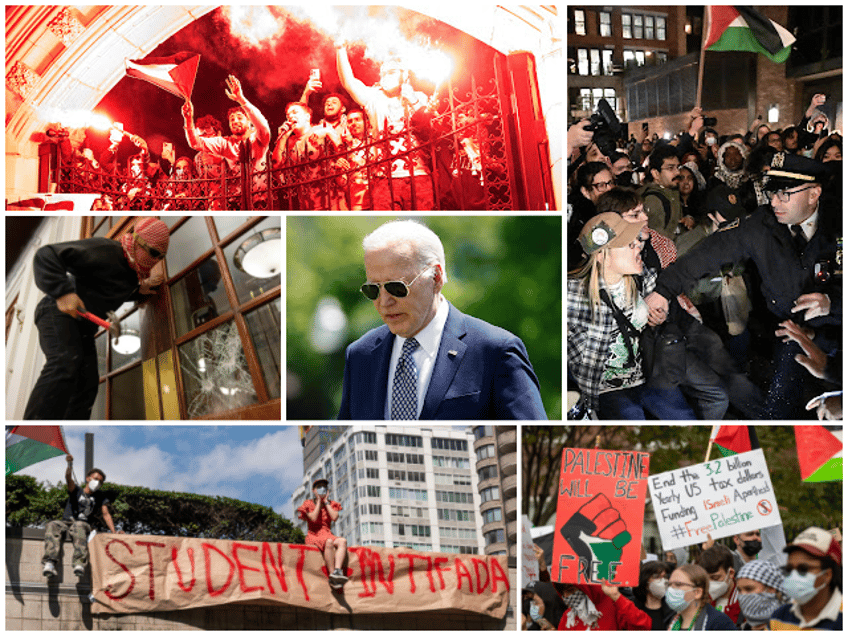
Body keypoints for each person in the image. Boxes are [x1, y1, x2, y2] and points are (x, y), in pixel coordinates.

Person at [645, 153, 841, 418]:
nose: (774, 202)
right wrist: (663, 290)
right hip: (794, 333)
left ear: (814, 193)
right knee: (780, 412)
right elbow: (709, 253)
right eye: (771, 192)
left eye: (784, 193)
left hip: (839, 332)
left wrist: (833, 304)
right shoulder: (762, 224)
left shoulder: (839, 222)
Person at [338, 219, 546, 419]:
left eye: (396, 287)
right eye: (372, 289)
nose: (384, 302)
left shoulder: (495, 351)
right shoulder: (360, 356)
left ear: (436, 278)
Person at [23, 217, 169, 419]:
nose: (155, 261)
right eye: (153, 253)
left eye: (160, 257)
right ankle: (28, 436)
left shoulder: (131, 274)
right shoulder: (105, 249)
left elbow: (111, 286)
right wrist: (63, 291)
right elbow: (46, 255)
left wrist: (138, 290)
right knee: (65, 363)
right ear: (136, 241)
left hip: (83, 327)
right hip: (56, 311)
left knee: (87, 386)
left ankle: (69, 436)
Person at [568, 212, 696, 419]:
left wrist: (661, 316)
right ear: (601, 255)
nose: (638, 246)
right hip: (607, 390)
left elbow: (666, 302)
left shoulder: (640, 275)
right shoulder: (572, 296)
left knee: (686, 420)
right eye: (629, 245)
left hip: (647, 375)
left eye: (635, 240)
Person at [336, 42, 434, 210]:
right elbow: (348, 82)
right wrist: (340, 48)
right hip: (384, 179)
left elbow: (430, 128)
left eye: (391, 72)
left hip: (418, 175)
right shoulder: (374, 98)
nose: (385, 76)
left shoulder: (419, 97)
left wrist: (412, 99)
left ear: (405, 75)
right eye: (382, 74)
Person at [181, 75, 271, 206]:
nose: (235, 121)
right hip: (237, 202)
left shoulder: (260, 139)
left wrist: (241, 100)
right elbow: (195, 143)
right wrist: (188, 120)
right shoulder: (225, 143)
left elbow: (263, 125)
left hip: (263, 200)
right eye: (232, 120)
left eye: (240, 118)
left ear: (250, 121)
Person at [42, 454, 121, 578]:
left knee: (79, 525)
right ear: (88, 478)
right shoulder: (77, 490)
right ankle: (50, 563)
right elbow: (68, 478)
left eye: (100, 481)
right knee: (52, 524)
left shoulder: (100, 496)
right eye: (95, 479)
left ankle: (79, 563)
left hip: (83, 525)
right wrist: (69, 465)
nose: (98, 483)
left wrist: (114, 531)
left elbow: (106, 514)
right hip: (67, 522)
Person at [272, 101, 344, 210]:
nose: (291, 116)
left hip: (332, 200)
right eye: (288, 115)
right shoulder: (289, 142)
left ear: (307, 117)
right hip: (307, 204)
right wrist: (282, 138)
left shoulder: (320, 130)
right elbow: (276, 166)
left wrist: (327, 132)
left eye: (295, 112)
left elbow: (341, 149)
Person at [770, 526, 842, 630]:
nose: (794, 576)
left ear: (827, 575)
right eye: (789, 569)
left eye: (803, 569)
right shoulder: (779, 616)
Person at [296, 478, 349, 589]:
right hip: (314, 535)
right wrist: (319, 502)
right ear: (313, 491)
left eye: (324, 487)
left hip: (327, 533)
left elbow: (334, 517)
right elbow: (313, 519)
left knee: (342, 541)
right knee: (328, 542)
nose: (322, 489)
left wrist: (325, 502)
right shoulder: (308, 503)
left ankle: (337, 571)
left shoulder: (332, 503)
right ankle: (332, 575)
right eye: (318, 487)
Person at [666, 563, 737, 630]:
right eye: (669, 585)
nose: (671, 589)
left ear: (697, 592)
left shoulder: (720, 623)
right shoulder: (674, 621)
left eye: (678, 584)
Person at [556, 581, 652, 630]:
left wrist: (616, 596)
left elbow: (643, 626)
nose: (565, 596)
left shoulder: (613, 606)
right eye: (562, 592)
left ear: (584, 588)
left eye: (570, 590)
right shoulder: (568, 615)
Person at [735, 560, 785, 630]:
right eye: (739, 590)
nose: (742, 595)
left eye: (749, 589)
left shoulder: (792, 626)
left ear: (771, 589)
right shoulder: (743, 628)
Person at [698, 545, 741, 626]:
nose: (710, 583)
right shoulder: (700, 600)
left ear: (731, 573)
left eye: (715, 578)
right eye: (706, 579)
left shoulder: (744, 601)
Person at [630, 560, 675, 629]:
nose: (663, 581)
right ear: (645, 582)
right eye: (657, 577)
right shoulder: (631, 608)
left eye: (665, 577)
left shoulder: (673, 610)